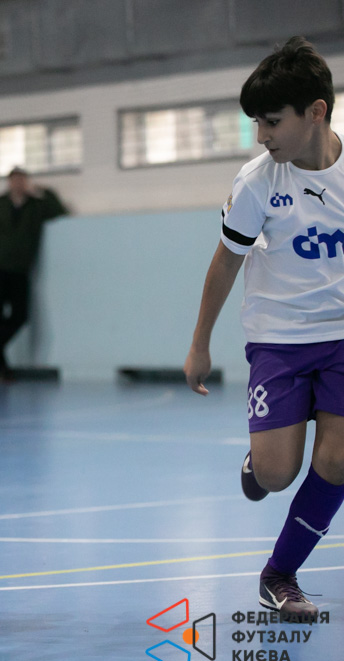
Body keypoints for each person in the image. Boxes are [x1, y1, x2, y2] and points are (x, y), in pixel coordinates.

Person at [184, 36, 344, 622]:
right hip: (280, 340)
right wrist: (200, 344)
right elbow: (226, 262)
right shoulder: (257, 182)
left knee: (339, 461)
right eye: (256, 122)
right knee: (278, 473)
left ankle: (279, 574)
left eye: (271, 122)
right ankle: (259, 463)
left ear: (316, 112)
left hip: (342, 338)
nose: (261, 136)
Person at [0, 167, 67, 381]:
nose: (19, 184)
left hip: (19, 269)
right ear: (9, 182)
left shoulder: (36, 206)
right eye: (15, 180)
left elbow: (60, 211)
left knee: (20, 316)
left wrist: (44, 191)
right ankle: (0, 369)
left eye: (22, 180)